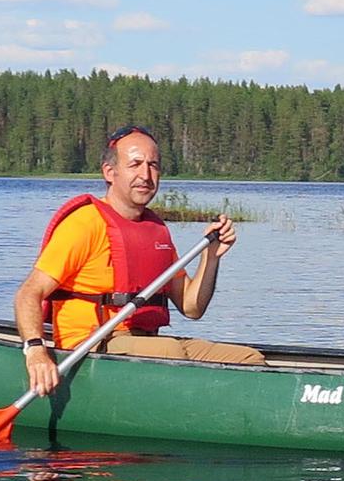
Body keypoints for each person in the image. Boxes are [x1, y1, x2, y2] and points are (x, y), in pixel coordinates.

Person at [15, 124, 265, 396]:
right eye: (135, 164)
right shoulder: (85, 224)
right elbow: (28, 293)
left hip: (147, 343)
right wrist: (36, 350)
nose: (145, 175)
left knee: (249, 359)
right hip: (92, 344)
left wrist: (211, 257)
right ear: (110, 172)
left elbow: (192, 307)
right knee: (169, 352)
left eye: (153, 165)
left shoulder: (155, 230)